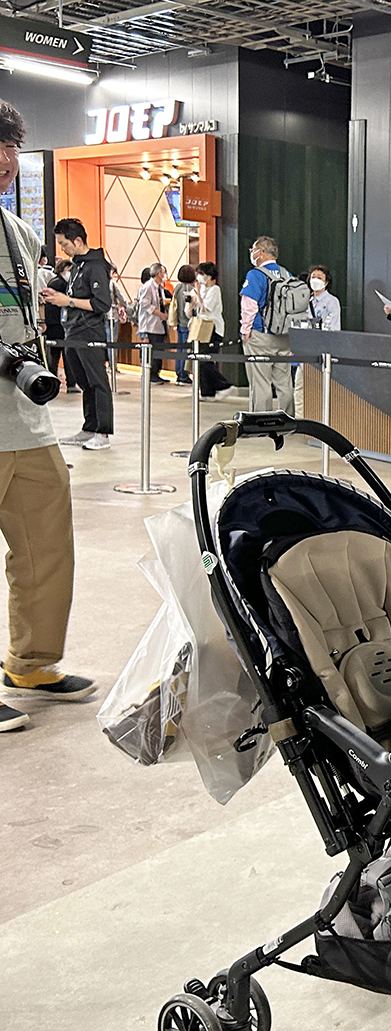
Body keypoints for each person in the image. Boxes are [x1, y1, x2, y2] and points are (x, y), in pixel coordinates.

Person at [0, 101, 97, 730]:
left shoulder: (19, 232)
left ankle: (30, 663)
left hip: (23, 419)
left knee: (45, 548)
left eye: (11, 146)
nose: (6, 159)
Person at [45, 218, 112, 451]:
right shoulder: (77, 265)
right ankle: (89, 428)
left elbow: (102, 304)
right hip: (72, 331)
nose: (63, 249)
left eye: (65, 244)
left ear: (78, 240)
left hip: (89, 331)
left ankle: (103, 433)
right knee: (84, 382)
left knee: (97, 382)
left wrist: (68, 301)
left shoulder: (96, 266)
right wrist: (56, 296)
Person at [239, 235, 293, 413]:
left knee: (260, 382)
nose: (252, 253)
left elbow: (249, 305)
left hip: (261, 335)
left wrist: (246, 330)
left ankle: (261, 420)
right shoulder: (286, 274)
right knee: (284, 382)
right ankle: (288, 418)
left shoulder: (255, 275)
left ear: (260, 252)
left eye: (253, 250)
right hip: (284, 336)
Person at [187, 261, 233, 401]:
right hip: (200, 328)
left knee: (205, 360)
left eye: (202, 274)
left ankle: (223, 385)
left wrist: (198, 296)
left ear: (209, 275)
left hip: (213, 328)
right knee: (200, 360)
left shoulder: (215, 290)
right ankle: (207, 393)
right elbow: (194, 310)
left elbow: (206, 307)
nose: (199, 277)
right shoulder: (201, 289)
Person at [136, 262, 169, 384]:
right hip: (149, 325)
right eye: (163, 272)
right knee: (152, 351)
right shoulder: (148, 286)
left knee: (159, 350)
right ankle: (150, 375)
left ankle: (156, 373)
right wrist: (160, 314)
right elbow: (145, 305)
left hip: (159, 325)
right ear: (158, 273)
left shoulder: (160, 288)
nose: (164, 275)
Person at [41, 259, 71, 389]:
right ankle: (69, 383)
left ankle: (52, 382)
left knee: (54, 355)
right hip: (58, 323)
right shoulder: (61, 284)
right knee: (63, 354)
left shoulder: (54, 282)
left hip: (53, 323)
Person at [171, 263, 197, 384]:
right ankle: (184, 374)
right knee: (186, 350)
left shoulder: (177, 288)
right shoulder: (191, 290)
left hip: (179, 322)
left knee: (180, 349)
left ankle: (179, 373)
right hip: (188, 323)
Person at [308, 264, 341, 332]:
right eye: (313, 277)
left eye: (319, 278)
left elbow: (334, 327)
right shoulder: (306, 300)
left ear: (326, 283)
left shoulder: (332, 301)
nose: (315, 280)